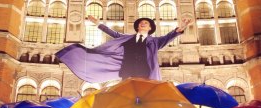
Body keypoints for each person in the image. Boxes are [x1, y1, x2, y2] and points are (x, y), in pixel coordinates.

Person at [56, 16, 192, 83]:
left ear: (150, 28)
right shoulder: (126, 38)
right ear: (138, 27)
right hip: (127, 73)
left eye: (146, 23)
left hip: (146, 74)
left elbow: (170, 36)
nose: (143, 23)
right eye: (141, 23)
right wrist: (98, 24)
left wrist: (182, 27)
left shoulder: (155, 42)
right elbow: (112, 33)